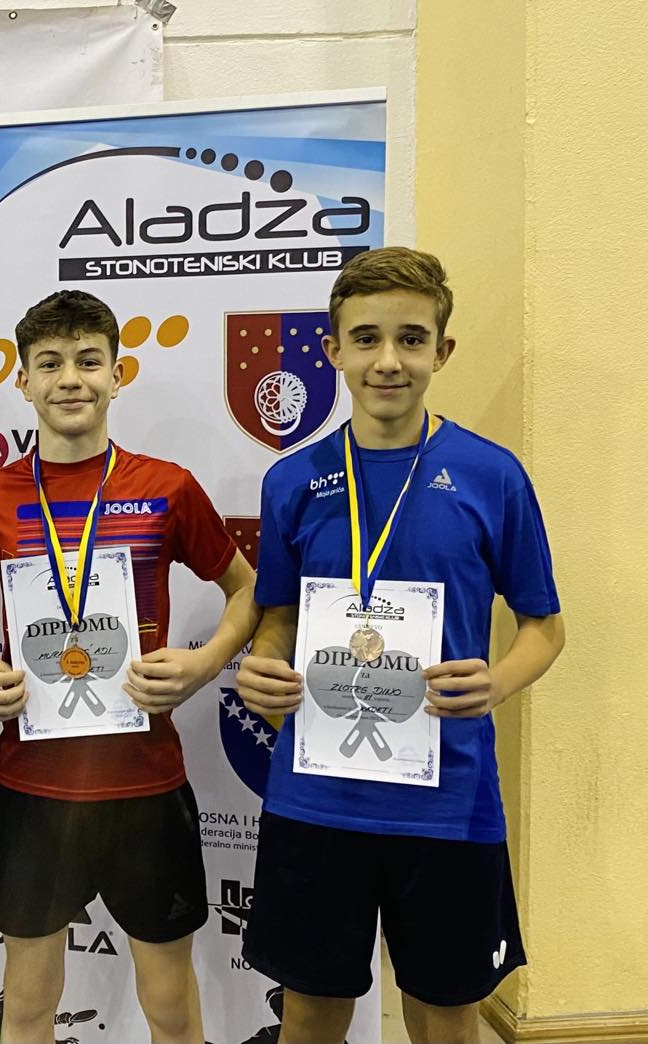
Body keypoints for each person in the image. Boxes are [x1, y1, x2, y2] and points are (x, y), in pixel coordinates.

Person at [234, 247, 565, 1044]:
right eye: (367, 338)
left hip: (450, 802)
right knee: (311, 1013)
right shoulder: (291, 480)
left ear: (441, 352)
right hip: (317, 797)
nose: (389, 360)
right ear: (332, 350)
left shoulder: (492, 476)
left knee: (445, 1014)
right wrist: (262, 666)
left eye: (411, 339)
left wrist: (497, 683)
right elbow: (276, 617)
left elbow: (545, 629)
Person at [0, 289, 258, 1044]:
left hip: (145, 783)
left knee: (170, 1007)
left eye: (88, 361)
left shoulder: (166, 486)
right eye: (50, 364)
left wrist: (204, 663)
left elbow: (246, 590)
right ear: (22, 381)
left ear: (118, 374)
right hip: (33, 788)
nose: (70, 379)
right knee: (26, 1008)